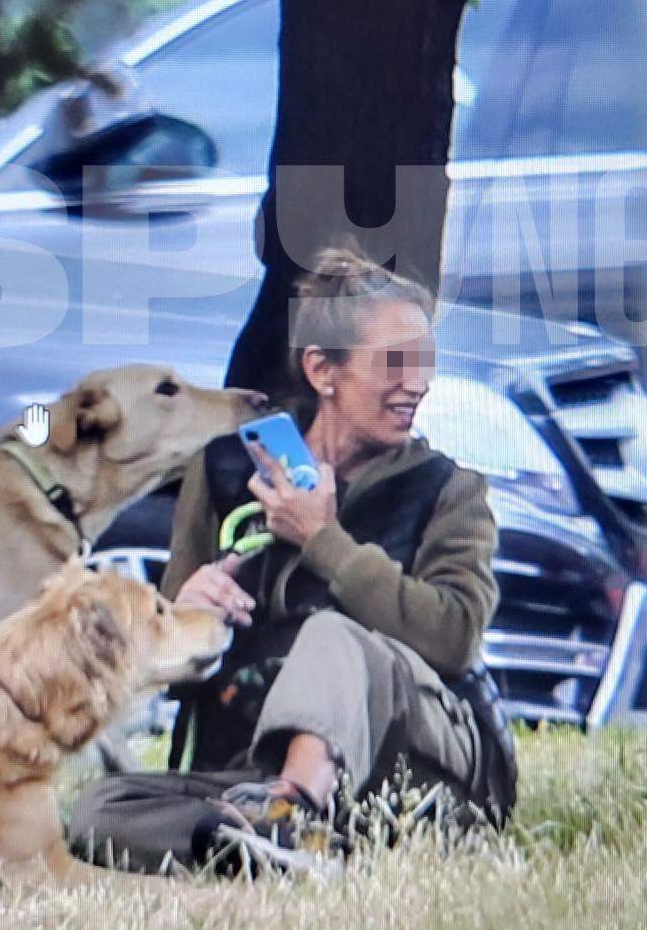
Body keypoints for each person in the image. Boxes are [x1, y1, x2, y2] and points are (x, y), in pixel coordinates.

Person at [146, 246, 504, 859]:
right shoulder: (225, 470)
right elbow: (164, 673)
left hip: (412, 757)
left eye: (423, 359)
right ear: (322, 371)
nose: (416, 382)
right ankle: (271, 840)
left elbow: (454, 638)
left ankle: (297, 809)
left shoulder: (451, 491)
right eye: (394, 361)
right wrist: (182, 617)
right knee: (104, 811)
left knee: (331, 635)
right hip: (246, 756)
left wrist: (323, 542)